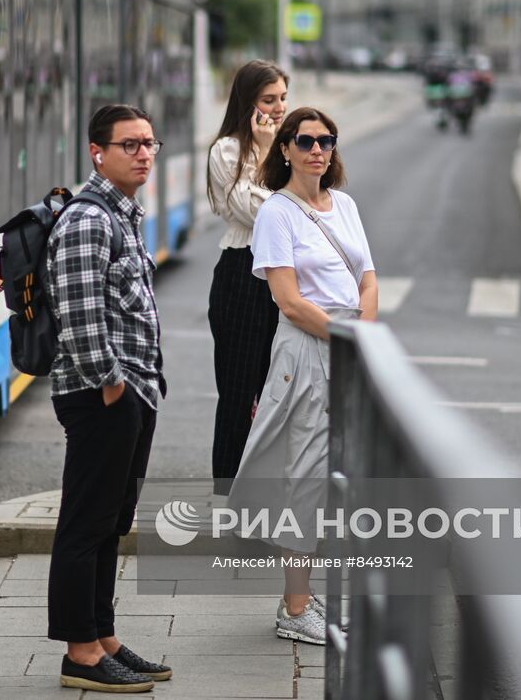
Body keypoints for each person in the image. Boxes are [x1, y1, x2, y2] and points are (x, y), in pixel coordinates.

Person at [227, 106, 378, 646]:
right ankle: (294, 607)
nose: (318, 150)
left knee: (341, 474)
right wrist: (347, 340)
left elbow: (367, 276)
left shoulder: (346, 205)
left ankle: (308, 595)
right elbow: (288, 302)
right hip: (310, 348)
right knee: (308, 476)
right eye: (306, 140)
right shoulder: (277, 213)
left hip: (349, 341)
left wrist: (367, 332)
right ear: (285, 149)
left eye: (327, 141)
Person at [46, 104, 171, 693]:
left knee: (109, 522)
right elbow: (78, 316)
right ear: (98, 152)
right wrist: (112, 382)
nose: (144, 153)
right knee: (85, 523)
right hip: (101, 395)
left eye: (150, 143)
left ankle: (103, 635)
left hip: (130, 393)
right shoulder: (88, 220)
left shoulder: (125, 215)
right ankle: (80, 654)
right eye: (130, 144)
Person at [206, 59, 288, 494]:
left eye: (282, 99)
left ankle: (265, 487)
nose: (277, 109)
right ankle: (227, 493)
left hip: (283, 277)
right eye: (268, 100)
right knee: (239, 392)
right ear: (247, 102)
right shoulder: (227, 150)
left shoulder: (289, 145)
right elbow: (257, 212)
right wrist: (262, 152)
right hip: (242, 273)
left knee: (279, 391)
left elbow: (305, 206)